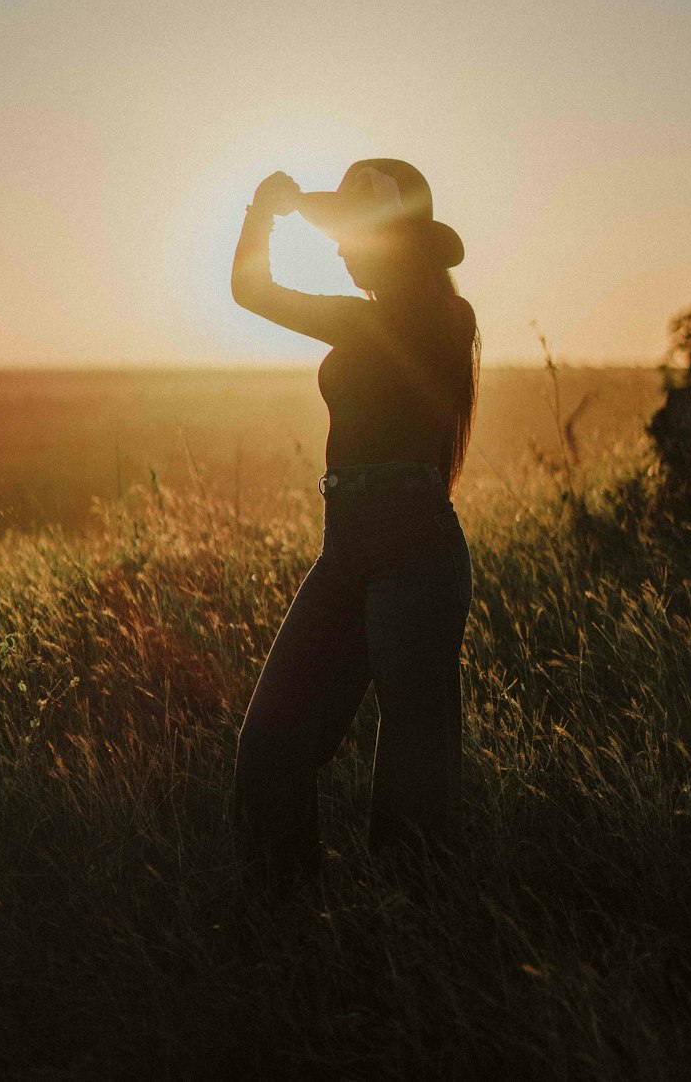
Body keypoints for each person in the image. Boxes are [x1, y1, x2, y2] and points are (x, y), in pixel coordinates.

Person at [230, 158, 480, 889]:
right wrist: (265, 210)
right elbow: (251, 289)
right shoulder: (367, 314)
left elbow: (260, 292)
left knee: (414, 769)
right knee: (272, 743)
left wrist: (296, 207)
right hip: (345, 543)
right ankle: (285, 927)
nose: (339, 244)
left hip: (414, 546)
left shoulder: (440, 317)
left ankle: (414, 941)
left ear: (393, 237)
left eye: (352, 228)